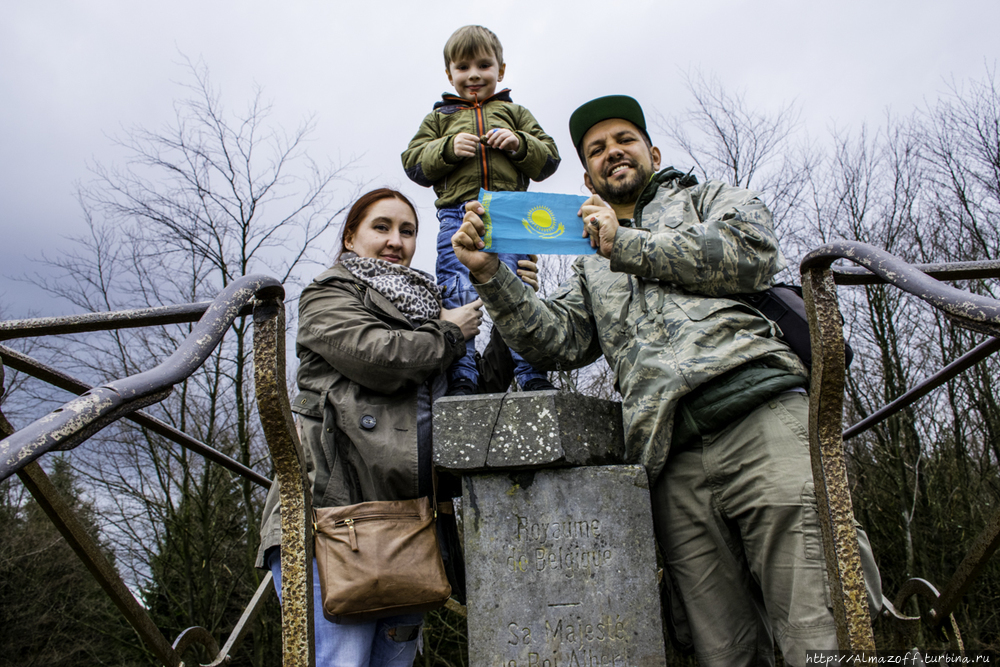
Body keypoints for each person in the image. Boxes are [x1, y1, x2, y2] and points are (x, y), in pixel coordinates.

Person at [451, 96, 882, 667]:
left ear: (652, 152)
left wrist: (624, 242)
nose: (613, 153)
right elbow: (557, 338)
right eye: (597, 150)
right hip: (670, 455)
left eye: (624, 140)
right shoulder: (586, 257)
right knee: (722, 647)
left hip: (761, 418)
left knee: (820, 622)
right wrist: (490, 275)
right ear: (587, 176)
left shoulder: (707, 199)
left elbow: (750, 254)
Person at [255, 188, 538, 665]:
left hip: (409, 529)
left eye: (407, 231)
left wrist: (512, 303)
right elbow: (381, 358)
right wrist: (449, 332)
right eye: (381, 227)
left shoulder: (431, 311)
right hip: (333, 518)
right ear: (351, 236)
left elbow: (466, 402)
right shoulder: (328, 294)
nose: (396, 240)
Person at [401, 24, 560, 395]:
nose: (474, 74)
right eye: (463, 67)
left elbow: (549, 158)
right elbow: (413, 163)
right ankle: (462, 376)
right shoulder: (439, 119)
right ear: (449, 74)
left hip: (510, 214)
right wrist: (446, 148)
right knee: (457, 291)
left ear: (500, 71)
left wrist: (520, 144)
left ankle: (531, 372)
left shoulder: (515, 112)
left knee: (517, 289)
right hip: (459, 216)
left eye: (484, 65)